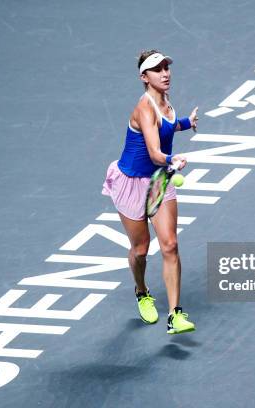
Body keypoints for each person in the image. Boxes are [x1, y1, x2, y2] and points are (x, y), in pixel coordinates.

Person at [102, 49, 198, 334]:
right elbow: (156, 153)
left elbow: (166, 129)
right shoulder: (145, 107)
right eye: (157, 70)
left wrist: (185, 124)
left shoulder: (166, 102)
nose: (165, 73)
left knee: (169, 245)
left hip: (158, 181)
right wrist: (173, 159)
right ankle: (142, 291)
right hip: (131, 183)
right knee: (141, 249)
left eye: (167, 67)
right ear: (145, 77)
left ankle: (175, 315)